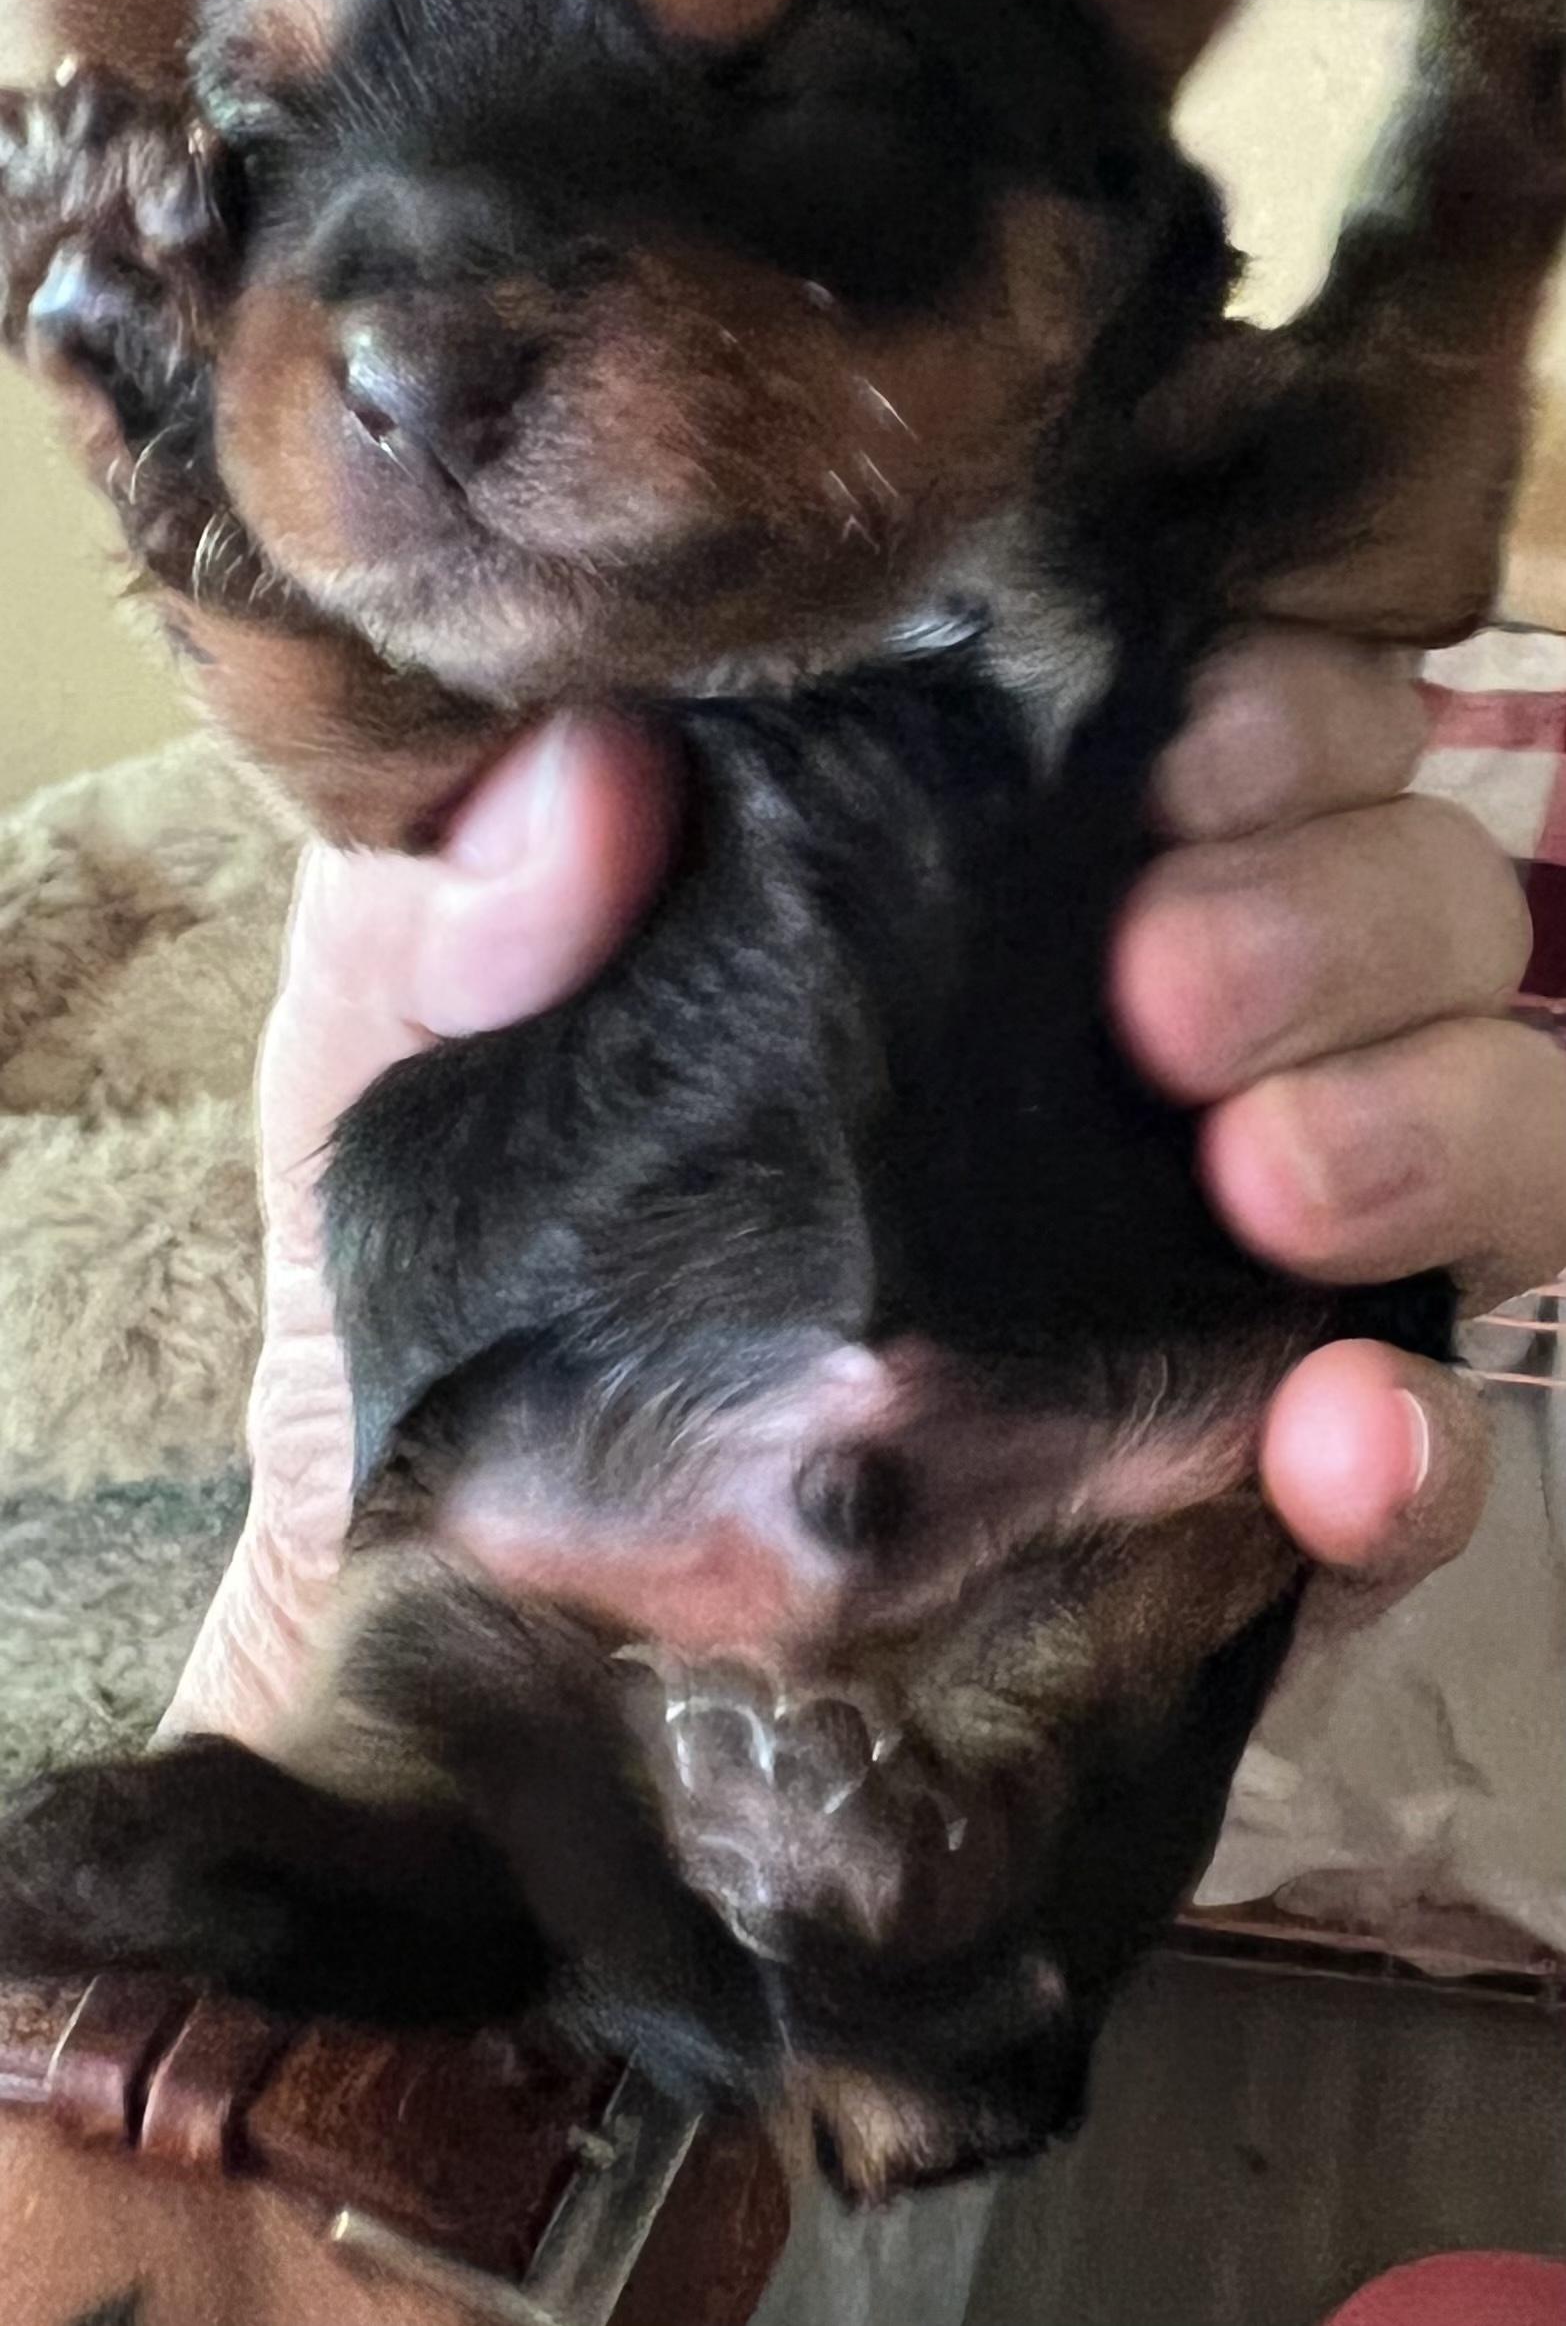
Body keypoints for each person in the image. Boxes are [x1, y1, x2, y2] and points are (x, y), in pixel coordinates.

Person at [5, 632, 1564, 2321]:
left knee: (476, 1725)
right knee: (1181, 1562)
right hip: (1054, 1417)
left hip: (583, 1451)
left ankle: (899, 1971)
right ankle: (930, 1977)